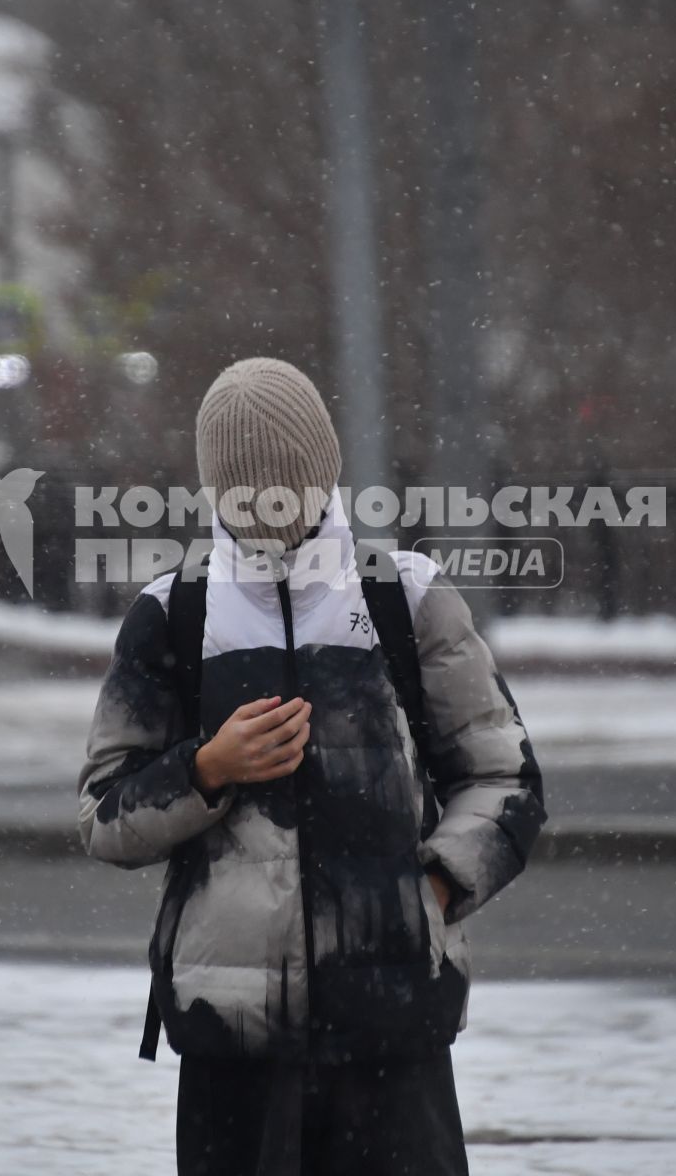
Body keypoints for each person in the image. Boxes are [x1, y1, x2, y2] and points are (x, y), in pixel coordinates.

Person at [78, 357, 547, 1175]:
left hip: (393, 1031)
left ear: (323, 475)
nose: (267, 514)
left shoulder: (405, 599)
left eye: (286, 491)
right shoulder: (174, 614)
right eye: (243, 496)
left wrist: (430, 891)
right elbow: (103, 816)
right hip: (233, 1042)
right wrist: (207, 771)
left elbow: (505, 778)